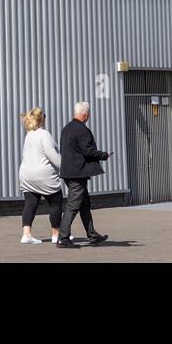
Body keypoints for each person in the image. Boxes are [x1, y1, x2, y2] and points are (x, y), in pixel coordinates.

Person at [57, 100, 110, 248]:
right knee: (73, 205)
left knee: (84, 205)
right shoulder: (82, 130)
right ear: (86, 114)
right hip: (77, 174)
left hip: (68, 172)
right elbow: (88, 150)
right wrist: (103, 155)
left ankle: (93, 236)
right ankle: (63, 238)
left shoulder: (66, 128)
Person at [17, 107, 62, 245]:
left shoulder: (28, 135)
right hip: (43, 175)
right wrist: (64, 165)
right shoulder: (44, 134)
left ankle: (26, 235)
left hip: (26, 175)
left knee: (30, 204)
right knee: (55, 201)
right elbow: (52, 155)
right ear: (42, 119)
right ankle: (56, 234)